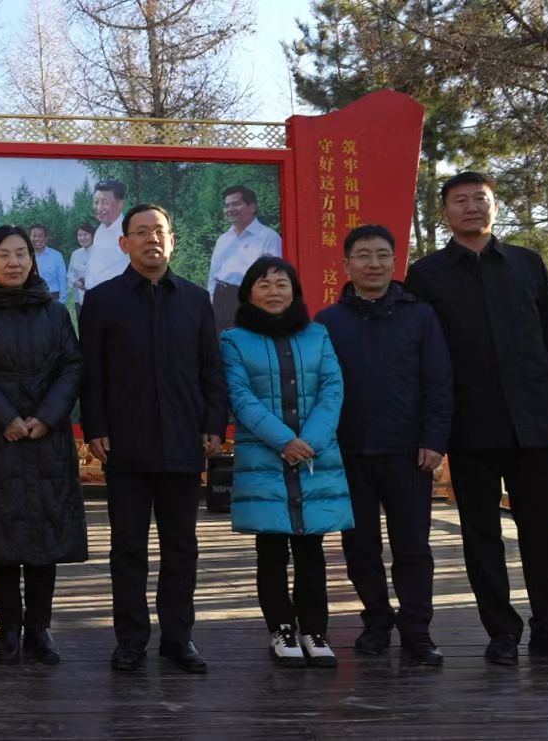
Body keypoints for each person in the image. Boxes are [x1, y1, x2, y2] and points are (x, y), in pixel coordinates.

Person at [405, 171, 548, 669]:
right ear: (444, 213)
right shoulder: (425, 275)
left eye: (481, 198)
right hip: (469, 426)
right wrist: (431, 425)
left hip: (531, 421)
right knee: (481, 536)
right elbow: (420, 354)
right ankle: (502, 633)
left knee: (541, 533)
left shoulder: (527, 264)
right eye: (460, 200)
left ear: (495, 206)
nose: (472, 207)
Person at [80, 203, 227, 674]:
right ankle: (130, 640)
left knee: (181, 546)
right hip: (124, 443)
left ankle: (179, 639)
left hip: (184, 440)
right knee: (128, 548)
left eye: (159, 231)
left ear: (172, 240)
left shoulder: (195, 299)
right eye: (141, 232)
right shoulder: (102, 300)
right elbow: (92, 374)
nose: (152, 239)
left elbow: (211, 368)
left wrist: (214, 423)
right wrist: (95, 427)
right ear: (125, 244)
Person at [315, 224, 451, 666]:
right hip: (348, 453)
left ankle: (417, 629)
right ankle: (376, 621)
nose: (373, 264)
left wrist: (434, 439)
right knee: (360, 548)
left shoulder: (420, 315)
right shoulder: (328, 322)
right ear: (346, 264)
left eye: (382, 255)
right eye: (363, 256)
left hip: (408, 452)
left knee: (413, 547)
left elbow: (438, 382)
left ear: (395, 262)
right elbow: (318, 390)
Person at [0, 225, 87, 665]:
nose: (14, 262)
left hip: (47, 435)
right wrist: (7, 417)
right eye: (4, 255)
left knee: (45, 533)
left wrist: (47, 417)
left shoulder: (54, 313)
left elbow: (72, 367)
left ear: (33, 260)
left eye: (21, 254)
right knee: (3, 534)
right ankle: (9, 627)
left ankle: (40, 628)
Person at [220, 256, 352, 669]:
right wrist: (284, 441)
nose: (273, 291)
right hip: (265, 457)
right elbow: (240, 396)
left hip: (314, 455)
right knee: (271, 548)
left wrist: (309, 441)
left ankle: (314, 630)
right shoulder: (233, 340)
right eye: (264, 284)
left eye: (282, 283)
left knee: (312, 546)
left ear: (295, 291)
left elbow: (332, 388)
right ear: (249, 293)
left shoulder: (317, 334)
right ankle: (282, 629)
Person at [207, 186, 283, 331]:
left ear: (252, 207)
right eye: (227, 205)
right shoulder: (223, 239)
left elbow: (275, 277)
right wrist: (211, 300)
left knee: (247, 342)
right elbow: (213, 274)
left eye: (235, 204)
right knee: (220, 342)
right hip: (221, 299)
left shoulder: (269, 238)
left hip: (250, 300)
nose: (230, 209)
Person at [81, 180, 128, 294]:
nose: (98, 208)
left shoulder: (128, 232)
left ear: (120, 204)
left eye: (105, 202)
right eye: (96, 202)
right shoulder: (100, 229)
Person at [28, 223, 69, 300]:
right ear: (29, 238)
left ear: (46, 238)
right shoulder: (26, 256)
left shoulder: (56, 256)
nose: (37, 239)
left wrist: (62, 300)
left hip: (53, 296)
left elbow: (63, 280)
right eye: (34, 236)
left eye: (40, 236)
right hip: (32, 297)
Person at [67, 222, 95, 313]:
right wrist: (76, 282)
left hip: (96, 298)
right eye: (79, 235)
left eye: (85, 234)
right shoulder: (75, 254)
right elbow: (70, 273)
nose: (82, 238)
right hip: (78, 299)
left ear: (92, 235)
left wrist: (86, 283)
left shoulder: (100, 253)